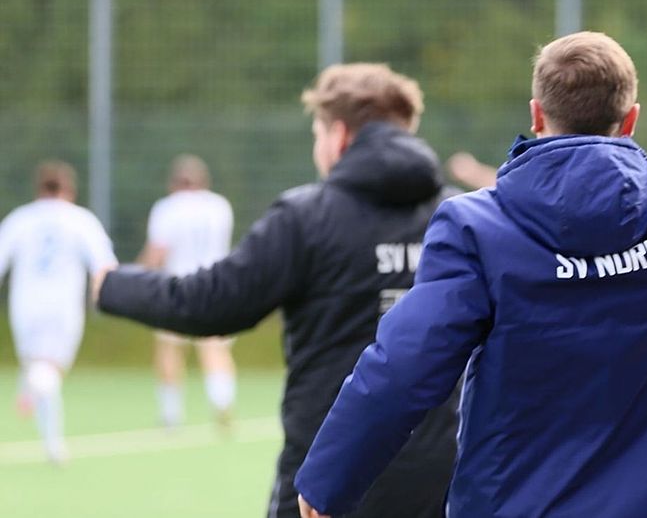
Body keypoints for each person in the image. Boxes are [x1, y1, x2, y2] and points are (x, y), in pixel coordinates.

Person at [294, 12, 647, 518]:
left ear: (537, 114)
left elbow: (403, 367)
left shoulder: (478, 227)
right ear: (630, 120)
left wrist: (327, 481)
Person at [95, 63, 459, 518]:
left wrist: (111, 284)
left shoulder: (307, 217)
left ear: (338, 135)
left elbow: (211, 303)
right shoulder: (460, 217)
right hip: (441, 484)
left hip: (326, 485)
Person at [0, 161, 117, 463]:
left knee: (37, 365)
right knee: (52, 370)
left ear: (39, 189)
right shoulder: (81, 220)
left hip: (25, 306)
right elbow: (104, 264)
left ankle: (52, 443)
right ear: (70, 190)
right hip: (63, 308)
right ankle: (35, 393)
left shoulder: (20, 219)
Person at [139, 155, 236, 428]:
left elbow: (157, 253)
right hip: (215, 284)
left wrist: (135, 276)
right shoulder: (219, 206)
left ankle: (171, 413)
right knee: (214, 347)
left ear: (174, 183)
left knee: (170, 349)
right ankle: (222, 402)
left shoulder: (168, 208)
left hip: (177, 286)